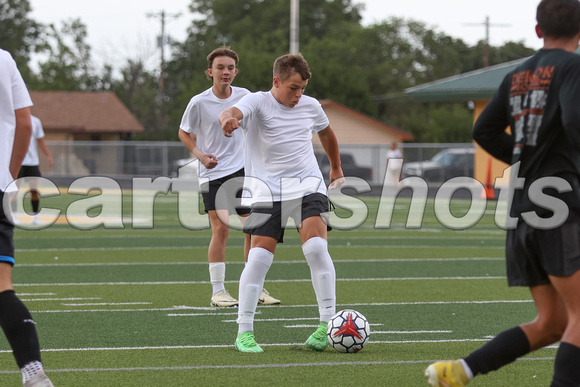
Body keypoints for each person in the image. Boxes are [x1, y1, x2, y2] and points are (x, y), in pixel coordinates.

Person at [425, 1, 580, 386]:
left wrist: (523, 158)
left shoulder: (518, 75)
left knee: (553, 323)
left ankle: (460, 371)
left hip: (524, 204)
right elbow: (576, 120)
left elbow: (484, 130)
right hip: (560, 202)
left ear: (538, 30)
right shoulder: (573, 68)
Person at [219, 53, 344, 353]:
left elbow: (326, 133)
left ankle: (326, 326)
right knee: (258, 260)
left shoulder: (311, 106)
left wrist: (336, 168)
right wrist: (228, 120)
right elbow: (230, 111)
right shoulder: (258, 102)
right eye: (293, 88)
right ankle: (244, 332)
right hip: (265, 192)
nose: (299, 95)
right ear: (276, 81)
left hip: (307, 186)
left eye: (302, 88)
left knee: (316, 247)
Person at [178, 47, 280, 307]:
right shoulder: (199, 102)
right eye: (220, 67)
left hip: (244, 172)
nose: (226, 72)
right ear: (210, 72)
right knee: (221, 229)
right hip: (214, 173)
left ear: (236, 71)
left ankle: (254, 288)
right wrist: (201, 156)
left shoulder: (245, 97)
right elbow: (184, 132)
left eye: (230, 68)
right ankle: (218, 292)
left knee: (252, 229)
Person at [0, 49, 54, 386]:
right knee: (3, 289)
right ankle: (33, 372)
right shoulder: (4, 58)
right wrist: (9, 175)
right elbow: (23, 122)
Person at [17, 115, 54, 225]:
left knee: (34, 190)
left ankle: (35, 216)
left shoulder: (35, 121)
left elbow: (40, 140)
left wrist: (48, 156)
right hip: (18, 162)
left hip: (32, 162)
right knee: (13, 191)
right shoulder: (14, 119)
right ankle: (13, 215)